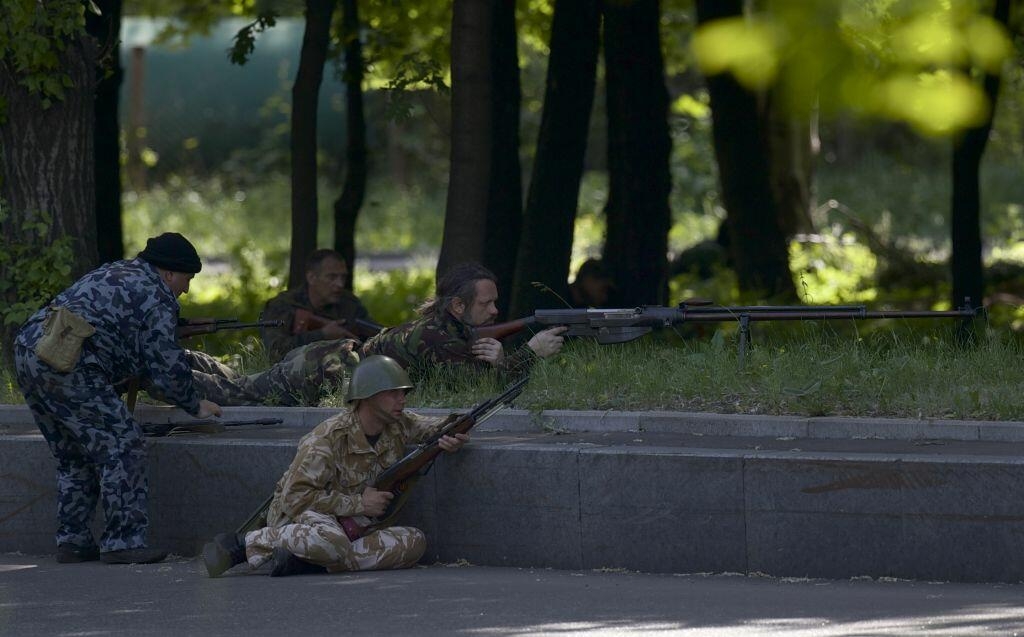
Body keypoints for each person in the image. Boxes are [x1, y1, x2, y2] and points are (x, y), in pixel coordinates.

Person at [13, 232, 222, 565]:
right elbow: (166, 364)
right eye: (186, 278)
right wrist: (195, 404)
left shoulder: (117, 271)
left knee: (74, 453)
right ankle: (123, 541)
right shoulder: (157, 295)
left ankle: (74, 541)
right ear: (168, 273)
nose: (186, 288)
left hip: (31, 349)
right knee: (122, 443)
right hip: (70, 362)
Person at [201, 355, 468, 577]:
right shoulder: (327, 438)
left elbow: (432, 427)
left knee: (413, 542)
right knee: (333, 541)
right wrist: (359, 505)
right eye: (393, 393)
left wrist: (452, 433)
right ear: (367, 396)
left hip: (350, 527)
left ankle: (307, 563)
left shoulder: (397, 424)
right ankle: (248, 543)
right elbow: (296, 499)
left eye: (404, 393)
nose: (402, 399)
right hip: (307, 517)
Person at [360, 262, 566, 381]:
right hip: (335, 368)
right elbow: (477, 386)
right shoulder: (435, 337)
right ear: (458, 306)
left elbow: (474, 371)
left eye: (495, 302)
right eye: (485, 304)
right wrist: (531, 353)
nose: (495, 310)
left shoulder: (455, 330)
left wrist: (501, 363)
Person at [132, 340, 361, 408]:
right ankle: (159, 373)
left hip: (297, 367)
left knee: (238, 383)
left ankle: (182, 358)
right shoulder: (363, 365)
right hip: (294, 379)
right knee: (236, 391)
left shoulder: (353, 351)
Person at [261, 249, 375, 363]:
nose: (340, 284)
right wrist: (322, 335)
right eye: (332, 277)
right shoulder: (284, 305)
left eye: (343, 277)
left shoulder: (349, 303)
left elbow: (371, 334)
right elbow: (275, 351)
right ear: (311, 278)